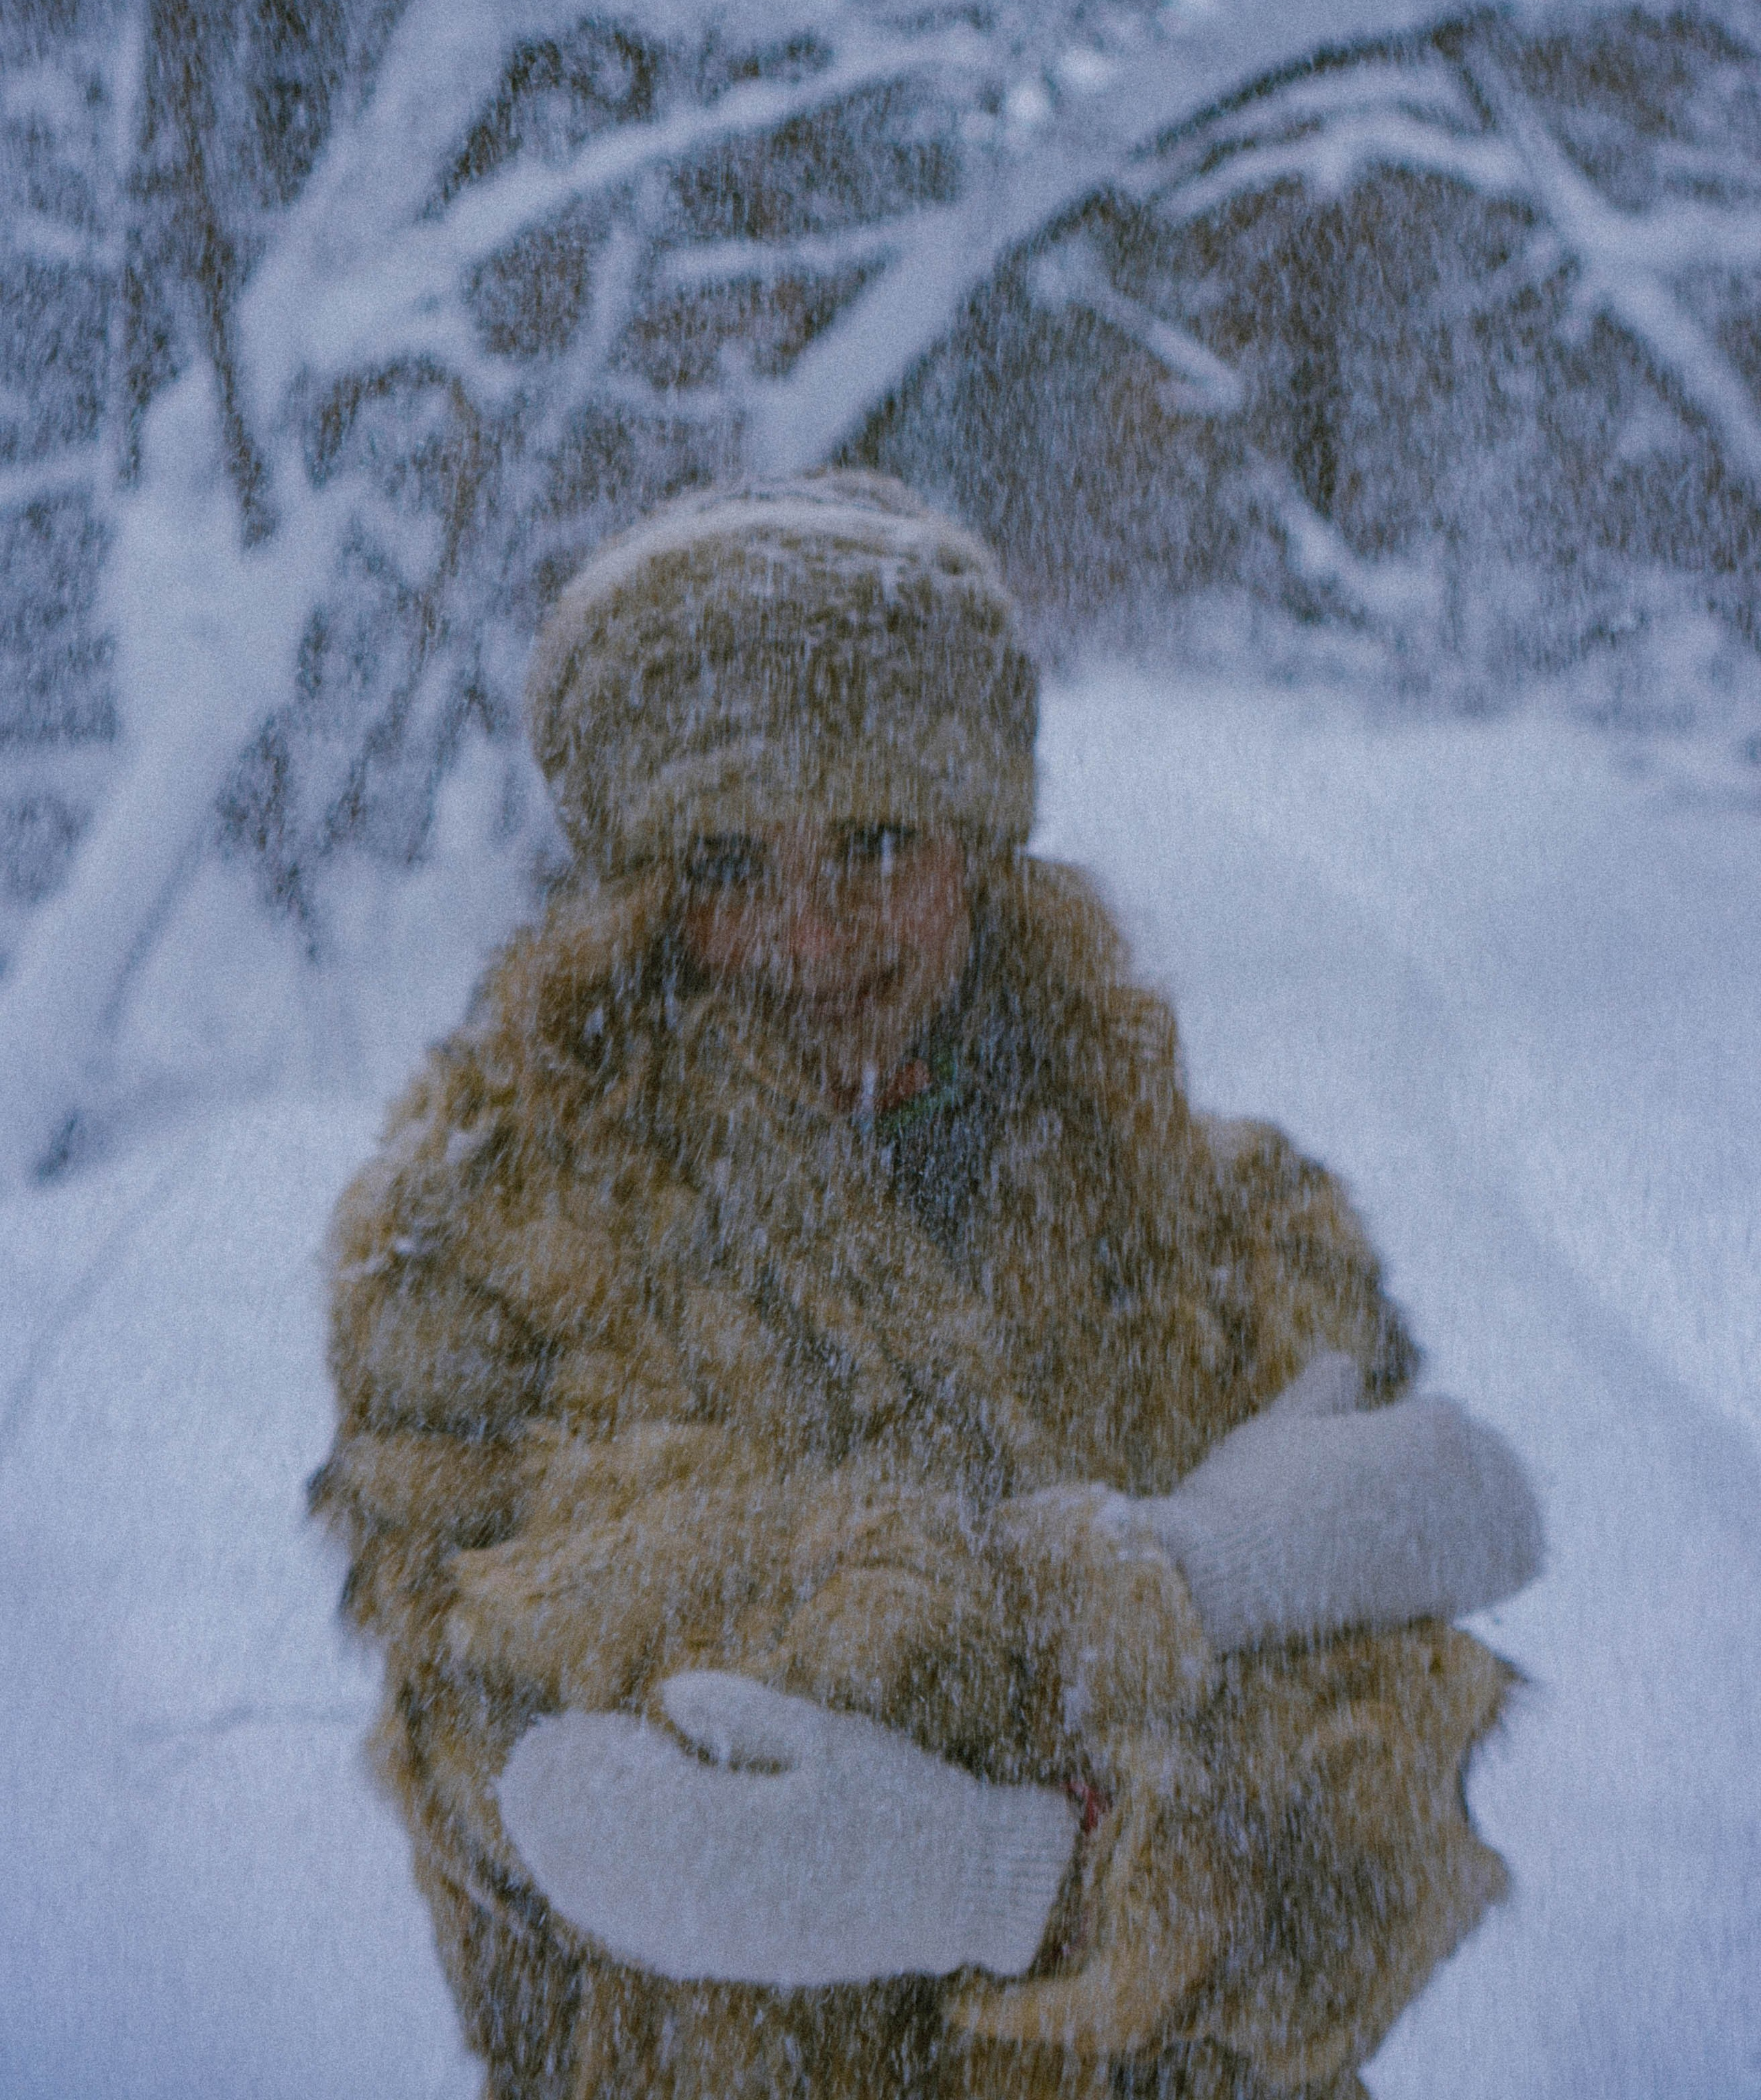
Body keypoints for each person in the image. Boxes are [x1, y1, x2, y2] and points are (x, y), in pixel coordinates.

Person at [311, 470, 1542, 2100]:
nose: (808, 937)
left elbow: (1383, 1803)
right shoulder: (484, 1247)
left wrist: (1024, 1876)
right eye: (728, 862)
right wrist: (1139, 1612)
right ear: (637, 892)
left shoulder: (1232, 1237)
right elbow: (518, 1785)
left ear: (977, 844)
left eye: (875, 844)